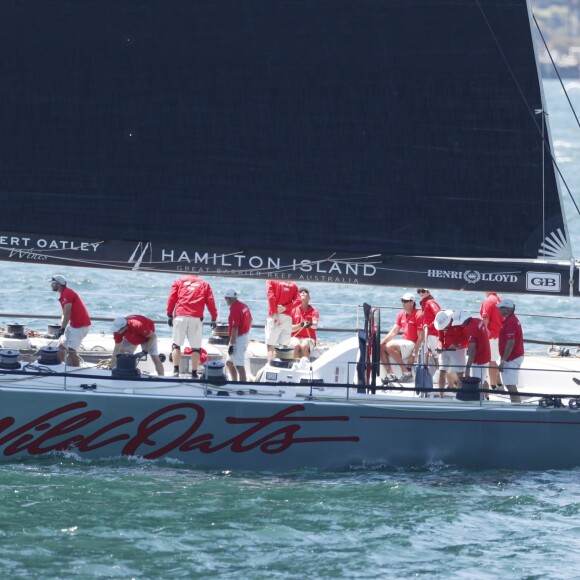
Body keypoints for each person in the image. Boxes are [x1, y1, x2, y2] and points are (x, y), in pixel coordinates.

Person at [167, 274, 218, 378]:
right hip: (196, 317)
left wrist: (169, 314)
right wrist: (214, 317)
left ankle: (176, 371)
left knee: (176, 345)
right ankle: (194, 374)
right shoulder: (204, 284)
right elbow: (210, 302)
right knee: (196, 348)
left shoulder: (178, 281)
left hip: (180, 316)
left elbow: (171, 298)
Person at [380, 292, 424, 383]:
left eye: (405, 301)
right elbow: (394, 331)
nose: (403, 303)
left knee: (390, 346)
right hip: (405, 343)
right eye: (402, 301)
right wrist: (382, 341)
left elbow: (421, 337)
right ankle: (389, 374)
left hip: (413, 344)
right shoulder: (401, 315)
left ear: (412, 302)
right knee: (382, 346)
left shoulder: (418, 315)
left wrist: (413, 355)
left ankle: (406, 373)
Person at [50, 274, 91, 367]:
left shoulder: (68, 293)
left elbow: (67, 313)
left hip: (81, 326)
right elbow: (64, 313)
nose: (51, 285)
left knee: (72, 351)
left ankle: (76, 372)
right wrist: (61, 328)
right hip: (73, 325)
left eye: (53, 283)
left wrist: (62, 329)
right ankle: (60, 368)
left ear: (58, 284)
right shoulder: (64, 293)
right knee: (60, 348)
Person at [451, 311, 490, 388]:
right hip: (486, 354)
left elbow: (472, 351)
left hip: (479, 359)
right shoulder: (478, 320)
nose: (460, 325)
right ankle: (485, 397)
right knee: (482, 379)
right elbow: (487, 333)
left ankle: (481, 399)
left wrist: (467, 368)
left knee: (478, 384)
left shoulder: (471, 328)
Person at [434, 310, 467, 397]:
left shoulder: (459, 322)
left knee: (460, 375)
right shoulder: (441, 326)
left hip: (459, 350)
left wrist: (457, 345)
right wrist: (439, 346)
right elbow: (440, 339)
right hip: (445, 349)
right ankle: (441, 396)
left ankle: (459, 396)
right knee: (441, 372)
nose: (444, 326)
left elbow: (466, 338)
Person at [265, 280, 300, 361]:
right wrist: (285, 307)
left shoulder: (270, 279)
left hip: (274, 316)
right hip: (287, 318)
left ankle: (269, 367)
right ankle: (283, 369)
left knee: (270, 346)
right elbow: (299, 301)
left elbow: (271, 296)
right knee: (284, 347)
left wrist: (274, 314)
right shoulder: (293, 283)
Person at [497, 298, 523, 403]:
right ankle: (516, 407)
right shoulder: (511, 320)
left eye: (501, 308)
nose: (499, 310)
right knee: (510, 385)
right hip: (512, 357)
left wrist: (503, 361)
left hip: (511, 358)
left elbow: (510, 342)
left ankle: (517, 409)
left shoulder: (510, 322)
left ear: (507, 309)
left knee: (511, 386)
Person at [224, 288, 252, 382]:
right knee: (229, 363)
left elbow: (235, 328)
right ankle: (234, 382)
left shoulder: (235, 309)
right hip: (243, 336)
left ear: (230, 298)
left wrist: (231, 344)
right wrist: (246, 330)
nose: (226, 300)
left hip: (239, 339)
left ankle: (242, 386)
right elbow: (251, 320)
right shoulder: (244, 306)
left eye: (226, 298)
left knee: (239, 365)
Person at [480, 291, 503, 390]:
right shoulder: (499, 300)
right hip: (498, 334)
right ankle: (499, 384)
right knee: (493, 360)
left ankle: (493, 386)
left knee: (491, 361)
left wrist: (483, 335)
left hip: (491, 336)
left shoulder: (488, 301)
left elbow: (485, 319)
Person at [290, 287, 320, 360]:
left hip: (309, 338)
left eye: (305, 292)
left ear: (309, 297)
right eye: (300, 292)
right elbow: (289, 328)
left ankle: (305, 366)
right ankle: (296, 366)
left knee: (304, 346)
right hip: (295, 337)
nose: (303, 292)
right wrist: (301, 325)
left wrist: (310, 324)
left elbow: (315, 325)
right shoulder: (293, 310)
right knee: (296, 345)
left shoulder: (314, 311)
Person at [417, 288, 441, 359]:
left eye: (423, 291)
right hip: (428, 333)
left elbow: (438, 315)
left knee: (435, 355)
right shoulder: (424, 303)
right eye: (419, 291)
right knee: (429, 353)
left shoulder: (430, 302)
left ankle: (438, 369)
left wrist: (429, 326)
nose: (421, 293)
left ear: (428, 292)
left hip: (433, 333)